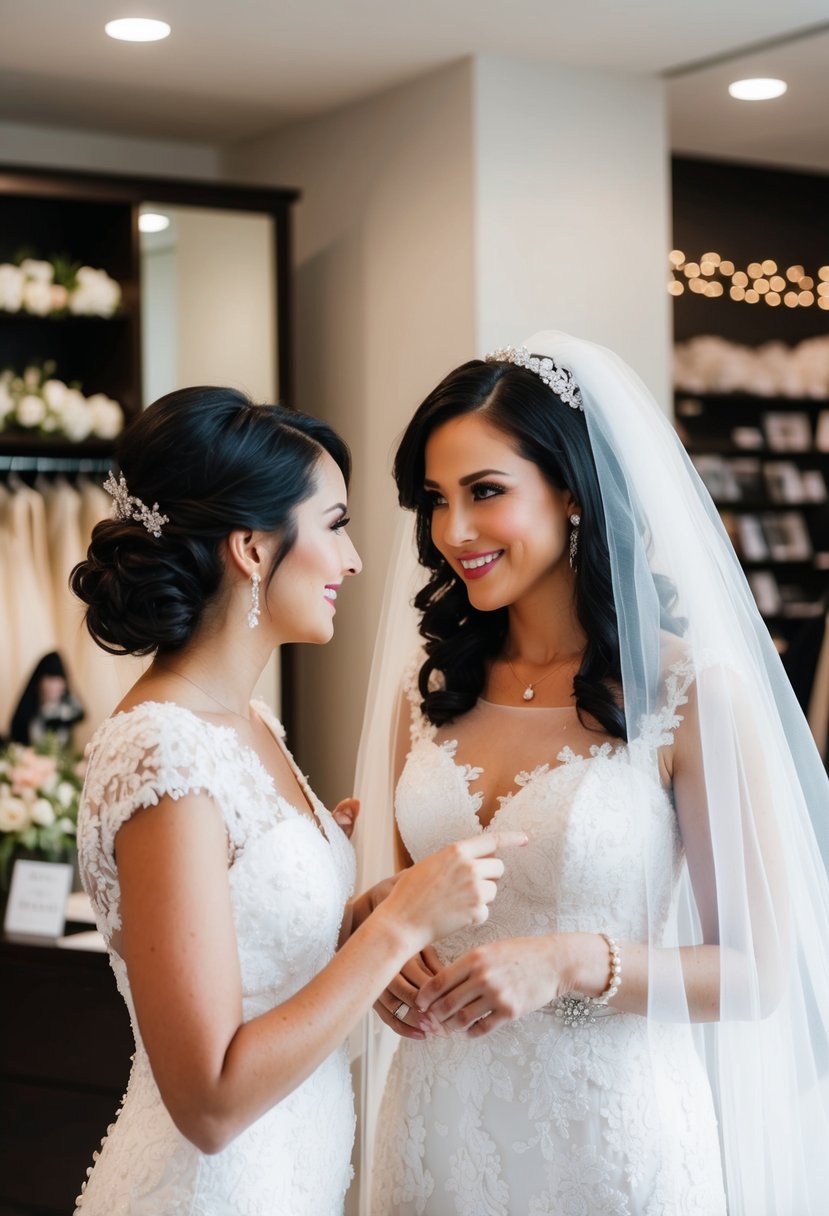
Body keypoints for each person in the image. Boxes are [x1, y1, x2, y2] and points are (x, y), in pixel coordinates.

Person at [359, 333, 829, 1215]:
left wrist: (575, 961)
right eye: (434, 500)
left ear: (571, 493)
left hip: (611, 1147)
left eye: (485, 492)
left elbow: (759, 974)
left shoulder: (688, 696)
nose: (453, 531)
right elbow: (399, 900)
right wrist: (383, 946)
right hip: (433, 1137)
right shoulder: (422, 695)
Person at [68, 386, 524, 1216]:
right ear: (250, 548)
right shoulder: (161, 749)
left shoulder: (249, 724)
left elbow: (254, 956)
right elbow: (209, 1102)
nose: (351, 562)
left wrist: (349, 919)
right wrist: (399, 926)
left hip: (292, 1183)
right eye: (336, 524)